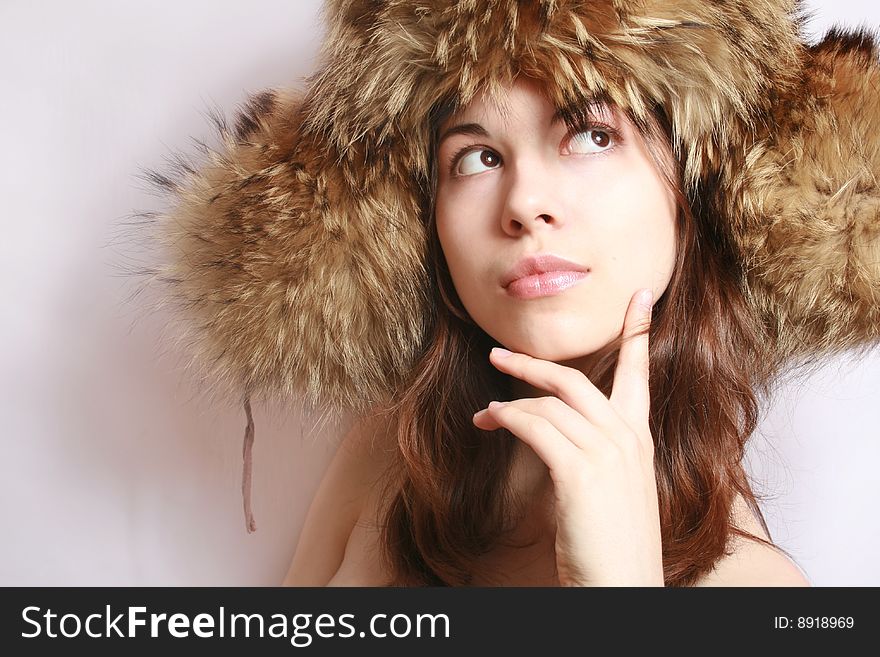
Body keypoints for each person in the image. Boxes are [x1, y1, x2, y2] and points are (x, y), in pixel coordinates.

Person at [137, 0, 880, 586]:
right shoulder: (385, 459)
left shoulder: (754, 589)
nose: (525, 202)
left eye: (590, 134)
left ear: (692, 188)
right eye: (477, 156)